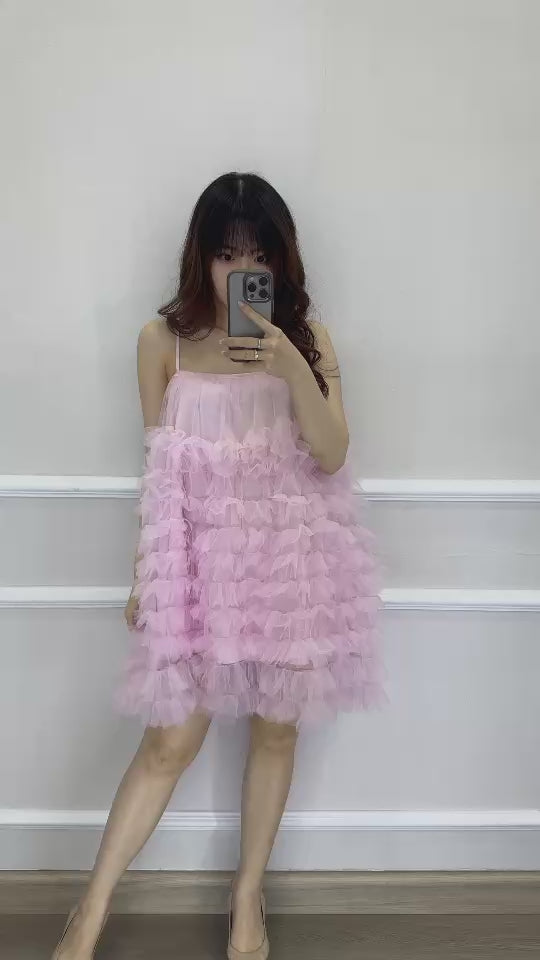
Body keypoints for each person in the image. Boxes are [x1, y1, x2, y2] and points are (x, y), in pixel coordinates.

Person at [52, 171, 388, 960]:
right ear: (199, 255)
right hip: (203, 565)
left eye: (258, 254)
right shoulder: (159, 343)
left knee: (276, 732)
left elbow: (332, 454)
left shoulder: (309, 341)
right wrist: (147, 575)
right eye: (227, 253)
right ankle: (88, 914)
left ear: (281, 259)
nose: (241, 270)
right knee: (168, 744)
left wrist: (291, 365)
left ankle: (246, 899)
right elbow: (159, 470)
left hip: (290, 560)